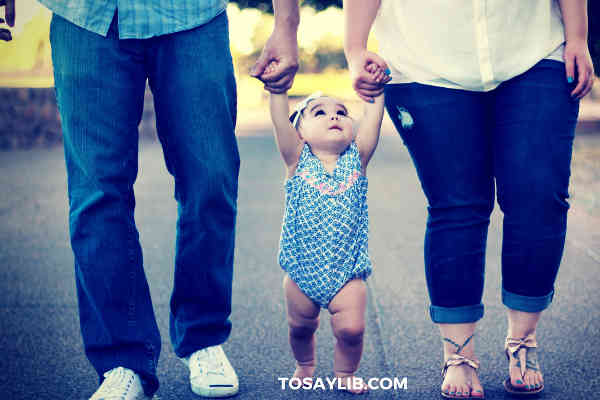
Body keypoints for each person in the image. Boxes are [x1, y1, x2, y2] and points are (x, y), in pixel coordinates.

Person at [0, 0, 286, 399]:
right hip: (86, 15)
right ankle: (122, 359)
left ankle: (202, 336)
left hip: (192, 15)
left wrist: (286, 24)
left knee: (210, 178)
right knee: (96, 193)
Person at [344, 0, 594, 398]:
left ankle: (523, 341)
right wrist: (355, 48)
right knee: (456, 206)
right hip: (424, 63)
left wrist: (578, 36)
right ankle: (458, 354)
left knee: (538, 198)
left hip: (535, 51)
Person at [266, 60, 387, 394]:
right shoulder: (296, 160)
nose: (333, 116)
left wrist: (374, 93)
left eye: (341, 112)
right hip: (301, 270)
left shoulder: (357, 159)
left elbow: (372, 121)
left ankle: (345, 372)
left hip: (347, 271)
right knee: (300, 327)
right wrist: (278, 92)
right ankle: (305, 364)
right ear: (300, 132)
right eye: (319, 113)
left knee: (351, 329)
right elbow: (279, 121)